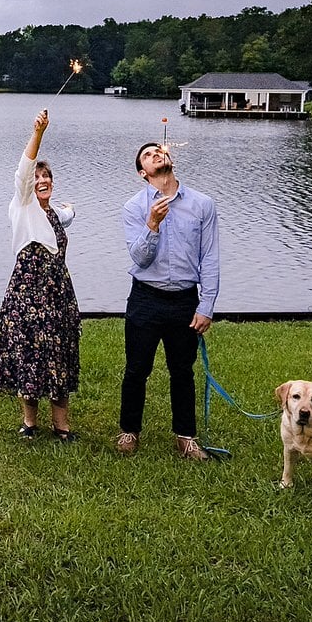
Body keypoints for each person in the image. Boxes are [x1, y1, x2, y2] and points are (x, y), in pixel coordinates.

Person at [118, 140, 221, 460]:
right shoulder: (134, 207)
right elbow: (139, 258)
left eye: (158, 151)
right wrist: (152, 225)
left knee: (183, 371)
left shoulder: (203, 205)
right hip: (145, 297)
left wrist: (206, 306)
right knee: (137, 369)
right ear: (142, 173)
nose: (156, 155)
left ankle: (186, 438)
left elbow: (211, 258)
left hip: (184, 301)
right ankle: (128, 431)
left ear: (170, 159)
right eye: (147, 155)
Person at [0, 110, 82, 440]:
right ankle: (29, 423)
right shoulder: (21, 205)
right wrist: (38, 134)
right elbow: (24, 171)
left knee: (58, 355)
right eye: (38, 178)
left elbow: (68, 214)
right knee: (27, 353)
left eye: (47, 177)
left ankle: (62, 426)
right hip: (27, 294)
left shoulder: (53, 213)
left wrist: (71, 208)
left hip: (58, 295)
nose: (42, 181)